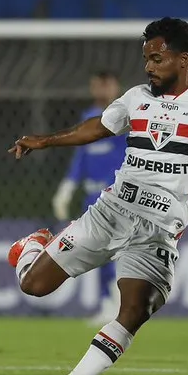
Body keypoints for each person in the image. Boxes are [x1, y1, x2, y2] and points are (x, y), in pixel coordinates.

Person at [6, 17, 188, 375]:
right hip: (112, 212)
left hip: (157, 231)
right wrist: (46, 141)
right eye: (146, 59)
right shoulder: (136, 97)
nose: (148, 67)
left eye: (156, 58)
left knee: (136, 309)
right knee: (34, 286)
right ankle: (32, 247)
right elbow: (99, 127)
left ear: (182, 59)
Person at [51, 69, 126, 326]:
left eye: (108, 84)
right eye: (99, 85)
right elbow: (80, 157)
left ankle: (117, 306)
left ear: (115, 86)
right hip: (91, 198)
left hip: (118, 197)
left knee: (117, 253)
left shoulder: (126, 115)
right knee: (98, 253)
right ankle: (108, 304)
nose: (103, 90)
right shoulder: (87, 118)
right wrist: (67, 187)